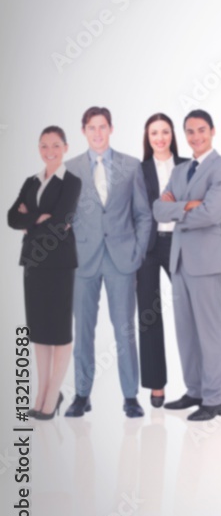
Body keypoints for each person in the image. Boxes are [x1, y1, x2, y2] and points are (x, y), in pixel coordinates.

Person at [65, 107, 152, 418]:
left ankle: (130, 396)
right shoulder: (71, 168)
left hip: (121, 260)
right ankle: (81, 394)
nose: (98, 133)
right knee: (83, 330)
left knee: (125, 330)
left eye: (102, 127)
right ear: (84, 131)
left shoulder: (130, 166)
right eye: (92, 128)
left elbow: (143, 215)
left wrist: (138, 252)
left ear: (111, 128)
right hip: (83, 261)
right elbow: (65, 217)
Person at [153, 110, 221, 421]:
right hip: (179, 260)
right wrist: (187, 206)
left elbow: (211, 213)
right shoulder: (179, 170)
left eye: (201, 130)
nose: (195, 137)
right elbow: (157, 209)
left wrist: (177, 209)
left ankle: (214, 398)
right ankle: (196, 390)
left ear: (212, 131)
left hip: (207, 262)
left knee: (210, 331)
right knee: (186, 332)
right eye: (189, 132)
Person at [8, 126, 81, 419]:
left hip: (60, 263)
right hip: (34, 263)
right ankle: (41, 392)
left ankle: (53, 394)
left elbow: (63, 220)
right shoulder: (31, 181)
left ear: (65, 147)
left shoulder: (71, 181)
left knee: (59, 331)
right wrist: (40, 217)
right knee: (39, 331)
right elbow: (12, 217)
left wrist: (31, 221)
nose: (49, 151)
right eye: (43, 146)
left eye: (55, 145)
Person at [137, 113, 189, 409]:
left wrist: (175, 208)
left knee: (189, 310)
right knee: (148, 314)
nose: (160, 138)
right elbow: (136, 211)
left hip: (180, 243)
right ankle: (156, 385)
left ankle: (200, 384)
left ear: (172, 135)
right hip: (147, 247)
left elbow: (195, 206)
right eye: (154, 133)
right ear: (148, 137)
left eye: (165, 132)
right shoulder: (139, 169)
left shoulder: (186, 166)